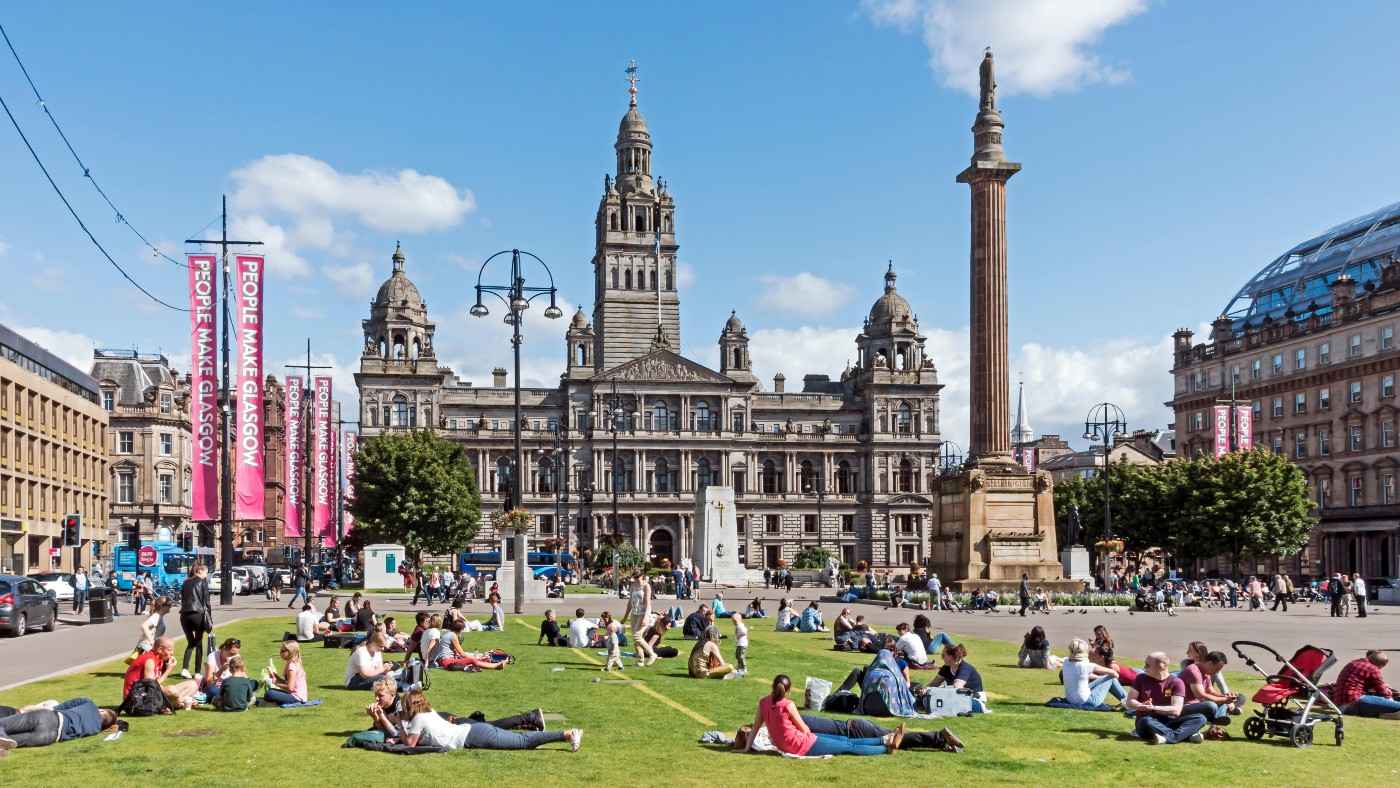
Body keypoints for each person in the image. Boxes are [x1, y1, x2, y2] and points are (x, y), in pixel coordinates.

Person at [739, 675, 900, 757]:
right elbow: (804, 728)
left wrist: (747, 748)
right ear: (788, 691)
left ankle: (886, 739)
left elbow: (755, 727)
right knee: (848, 745)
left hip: (793, 743)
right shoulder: (788, 705)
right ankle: (886, 747)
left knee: (844, 740)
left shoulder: (763, 702)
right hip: (802, 745)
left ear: (773, 686)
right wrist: (814, 737)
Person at [364, 678, 549, 744]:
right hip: (444, 724)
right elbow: (387, 732)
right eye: (376, 695)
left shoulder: (400, 706)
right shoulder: (389, 706)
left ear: (392, 694)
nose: (377, 699)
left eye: (380, 696)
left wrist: (382, 718)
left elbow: (399, 733)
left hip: (452, 724)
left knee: (489, 726)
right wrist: (377, 717)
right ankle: (530, 725)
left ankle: (531, 716)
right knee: (493, 729)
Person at [396, 690, 582, 752]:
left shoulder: (418, 718)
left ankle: (568, 734)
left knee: (523, 742)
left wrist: (397, 722)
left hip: (473, 735)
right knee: (522, 741)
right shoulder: (430, 712)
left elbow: (410, 744)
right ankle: (546, 736)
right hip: (472, 732)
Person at [1126, 652, 1208, 744]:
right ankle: (1183, 736)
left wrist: (1153, 708)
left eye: (1148, 665)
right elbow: (1130, 701)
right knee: (1145, 720)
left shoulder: (1176, 682)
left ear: (1160, 667)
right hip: (1147, 723)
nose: (1144, 667)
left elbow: (1176, 710)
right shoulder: (1140, 678)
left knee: (1201, 718)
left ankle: (1166, 738)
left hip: (1169, 722)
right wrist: (1140, 705)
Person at [0, 698, 120, 754]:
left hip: (49, 718)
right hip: (50, 737)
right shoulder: (95, 730)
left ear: (103, 711)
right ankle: (4, 744)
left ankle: (3, 736)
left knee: (2, 724)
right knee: (8, 741)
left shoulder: (88, 703)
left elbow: (54, 707)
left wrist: (32, 708)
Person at [122, 636, 200, 710]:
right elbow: (150, 687)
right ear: (160, 650)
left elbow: (157, 685)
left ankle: (174, 703)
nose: (172, 653)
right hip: (136, 698)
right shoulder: (150, 660)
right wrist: (168, 670)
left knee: (192, 684)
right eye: (169, 650)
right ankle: (178, 704)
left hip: (147, 694)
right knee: (171, 690)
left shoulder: (159, 659)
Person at [1330, 650, 1400, 717]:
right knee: (1396, 705)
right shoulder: (1373, 668)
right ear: (1380, 666)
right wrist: (1391, 701)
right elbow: (1382, 691)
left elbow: (1357, 683)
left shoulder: (1354, 662)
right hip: (1354, 702)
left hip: (1341, 706)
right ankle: (1391, 712)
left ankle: (1386, 714)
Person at [1060, 638, 1126, 707]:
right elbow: (1113, 673)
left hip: (1071, 699)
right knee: (1111, 678)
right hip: (1088, 701)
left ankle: (1126, 702)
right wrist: (1114, 679)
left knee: (1105, 678)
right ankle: (1128, 703)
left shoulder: (1066, 662)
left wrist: (1101, 679)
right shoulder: (1086, 665)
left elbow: (1082, 675)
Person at [1180, 650, 1240, 724]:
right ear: (1210, 664)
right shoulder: (1193, 671)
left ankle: (1218, 718)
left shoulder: (1206, 673)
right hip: (1184, 706)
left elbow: (1212, 692)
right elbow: (1201, 695)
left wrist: (1226, 696)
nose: (1218, 672)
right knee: (1211, 705)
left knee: (1238, 697)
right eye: (1217, 668)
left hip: (1197, 704)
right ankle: (1215, 718)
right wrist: (1223, 700)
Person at [344, 634, 417, 692]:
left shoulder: (377, 652)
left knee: (395, 674)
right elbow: (364, 675)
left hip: (368, 678)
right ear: (373, 643)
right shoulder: (361, 652)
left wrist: (388, 669)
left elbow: (379, 671)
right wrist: (383, 669)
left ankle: (407, 682)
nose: (382, 649)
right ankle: (406, 687)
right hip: (354, 680)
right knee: (385, 679)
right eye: (381, 646)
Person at [929, 643, 988, 712]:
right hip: (956, 698)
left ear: (950, 657)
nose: (942, 657)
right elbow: (934, 683)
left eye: (943, 655)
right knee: (927, 699)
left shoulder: (965, 668)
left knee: (942, 703)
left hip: (975, 700)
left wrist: (939, 689)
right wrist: (925, 690)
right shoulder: (946, 668)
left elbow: (956, 688)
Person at [178, 563, 213, 678]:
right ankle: (197, 672)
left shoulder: (186, 582)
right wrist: (209, 619)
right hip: (197, 614)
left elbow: (183, 599)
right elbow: (206, 602)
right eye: (205, 573)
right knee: (198, 643)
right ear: (199, 571)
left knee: (190, 643)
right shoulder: (203, 582)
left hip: (184, 614)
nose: (206, 575)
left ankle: (185, 669)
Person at [437, 619, 507, 671]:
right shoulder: (453, 636)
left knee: (471, 658)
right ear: (460, 629)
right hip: (447, 661)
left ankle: (490, 661)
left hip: (444, 660)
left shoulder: (448, 634)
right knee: (472, 660)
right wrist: (470, 659)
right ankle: (496, 665)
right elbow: (462, 654)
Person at [264, 641, 309, 706]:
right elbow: (288, 683)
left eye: (282, 650)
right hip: (296, 696)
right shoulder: (295, 663)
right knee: (270, 691)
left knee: (269, 693)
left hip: (296, 698)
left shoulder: (292, 666)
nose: (280, 653)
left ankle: (274, 703)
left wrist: (276, 683)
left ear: (290, 652)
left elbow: (290, 687)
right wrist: (276, 677)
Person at [200, 637, 241, 703]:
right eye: (232, 653)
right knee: (212, 689)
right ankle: (234, 697)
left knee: (252, 683)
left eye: (236, 654)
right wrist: (222, 669)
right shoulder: (212, 657)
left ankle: (230, 697)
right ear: (224, 648)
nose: (234, 656)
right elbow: (209, 683)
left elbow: (242, 677)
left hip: (230, 687)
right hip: (216, 687)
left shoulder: (236, 657)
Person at [628, 571, 653, 665]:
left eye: (637, 576)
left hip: (643, 613)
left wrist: (646, 617)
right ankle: (640, 661)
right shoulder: (633, 586)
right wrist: (625, 616)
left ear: (642, 576)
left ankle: (651, 654)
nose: (636, 578)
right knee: (636, 638)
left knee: (636, 636)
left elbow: (647, 603)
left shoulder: (646, 586)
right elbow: (630, 602)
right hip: (634, 613)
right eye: (634, 577)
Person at [732, 612, 749, 677]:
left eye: (735, 621)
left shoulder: (741, 626)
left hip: (742, 644)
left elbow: (745, 632)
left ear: (740, 620)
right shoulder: (738, 626)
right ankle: (739, 666)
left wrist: (739, 636)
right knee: (737, 655)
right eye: (733, 622)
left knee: (741, 656)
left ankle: (744, 668)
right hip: (739, 644)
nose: (734, 623)